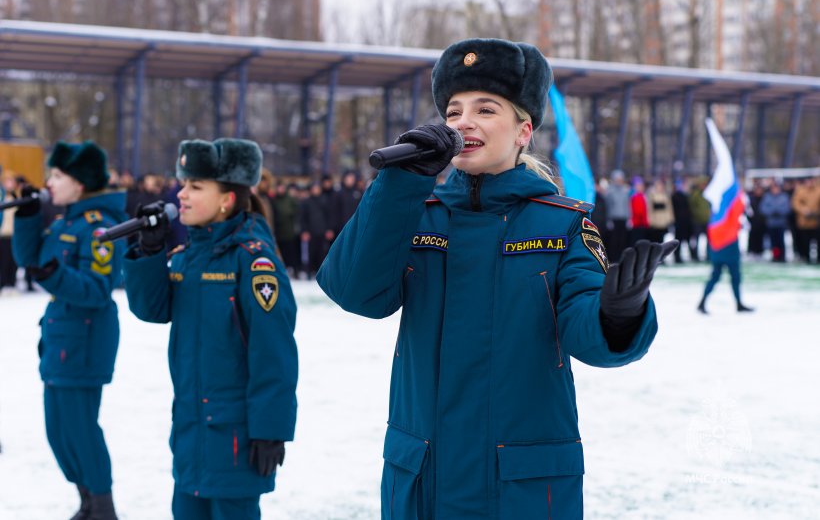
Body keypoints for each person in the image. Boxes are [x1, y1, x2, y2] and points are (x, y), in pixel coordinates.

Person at [317, 38, 677, 520]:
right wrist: (399, 182)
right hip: (425, 482)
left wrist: (619, 312)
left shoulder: (563, 224)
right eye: (454, 111)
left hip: (519, 490)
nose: (464, 122)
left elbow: (585, 334)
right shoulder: (414, 212)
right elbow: (356, 292)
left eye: (486, 109)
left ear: (524, 130)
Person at [123, 138, 298, 520]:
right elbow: (152, 309)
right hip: (190, 432)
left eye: (195, 186)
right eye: (183, 183)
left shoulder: (254, 262)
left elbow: (274, 354)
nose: (181, 194)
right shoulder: (188, 256)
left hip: (236, 438)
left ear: (226, 200)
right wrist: (150, 251)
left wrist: (271, 429)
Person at [12, 141, 127, 519]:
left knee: (80, 428)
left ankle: (103, 507)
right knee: (58, 431)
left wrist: (55, 276)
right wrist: (28, 216)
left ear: (80, 183)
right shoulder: (65, 221)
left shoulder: (99, 227)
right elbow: (29, 259)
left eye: (58, 175)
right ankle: (86, 500)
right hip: (60, 338)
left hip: (85, 340)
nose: (50, 182)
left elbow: (97, 290)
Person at [697, 236, 754, 314]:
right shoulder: (731, 227)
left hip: (717, 251)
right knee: (735, 278)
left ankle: (702, 301)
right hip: (730, 251)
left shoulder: (714, 227)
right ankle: (739, 303)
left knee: (714, 278)